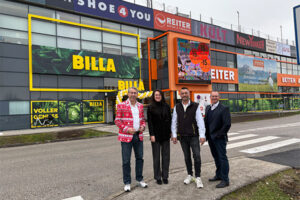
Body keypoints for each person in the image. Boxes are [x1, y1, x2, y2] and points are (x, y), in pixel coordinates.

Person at [171, 87, 206, 188]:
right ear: (180, 95)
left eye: (186, 93)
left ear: (189, 94)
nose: (184, 95)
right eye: (182, 93)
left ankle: (198, 177)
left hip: (194, 136)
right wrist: (174, 135)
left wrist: (202, 135)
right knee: (187, 157)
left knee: (197, 156)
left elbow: (200, 121)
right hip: (182, 136)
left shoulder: (195, 105)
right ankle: (190, 175)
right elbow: (174, 122)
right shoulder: (177, 107)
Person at [114, 87, 148, 192]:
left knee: (139, 158)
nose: (133, 94)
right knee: (126, 160)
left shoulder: (140, 106)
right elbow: (117, 121)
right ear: (128, 94)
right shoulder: (121, 105)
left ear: (137, 94)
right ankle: (127, 182)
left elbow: (143, 120)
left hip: (138, 135)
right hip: (126, 136)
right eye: (131, 93)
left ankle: (139, 179)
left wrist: (143, 126)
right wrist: (127, 129)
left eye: (135, 93)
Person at [204, 91, 231, 188]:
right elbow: (206, 123)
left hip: (219, 138)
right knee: (216, 157)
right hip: (211, 139)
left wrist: (218, 135)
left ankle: (225, 180)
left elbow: (227, 124)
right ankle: (219, 175)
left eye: (216, 96)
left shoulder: (224, 109)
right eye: (213, 96)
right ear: (210, 97)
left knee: (222, 158)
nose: (214, 97)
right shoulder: (208, 108)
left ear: (219, 97)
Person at [147, 90, 171, 185]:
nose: (157, 96)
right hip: (155, 136)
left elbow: (169, 119)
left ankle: (165, 176)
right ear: (154, 96)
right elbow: (150, 122)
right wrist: (151, 134)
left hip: (165, 134)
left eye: (159, 95)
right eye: (156, 95)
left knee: (166, 157)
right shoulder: (150, 107)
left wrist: (170, 132)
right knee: (156, 157)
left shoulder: (166, 106)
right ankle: (158, 177)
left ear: (162, 96)